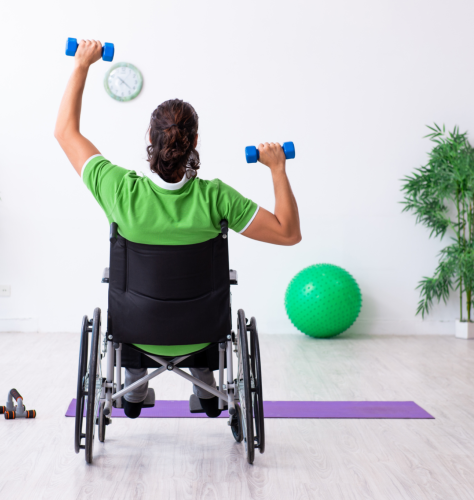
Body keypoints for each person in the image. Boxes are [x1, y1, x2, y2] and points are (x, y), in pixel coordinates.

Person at [55, 40, 301, 419]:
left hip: (136, 331)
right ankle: (205, 376)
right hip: (202, 332)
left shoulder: (119, 189)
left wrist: (82, 64)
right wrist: (278, 168)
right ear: (195, 143)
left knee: (137, 303)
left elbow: (65, 132)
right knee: (198, 308)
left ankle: (133, 381)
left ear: (150, 141)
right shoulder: (217, 199)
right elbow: (288, 233)